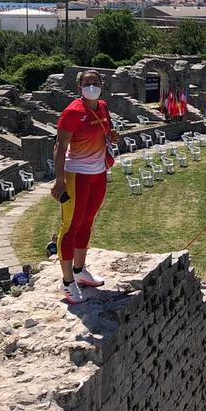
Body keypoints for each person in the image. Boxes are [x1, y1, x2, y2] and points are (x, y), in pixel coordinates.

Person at [50, 70, 118, 305]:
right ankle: (67, 283)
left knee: (87, 222)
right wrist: (59, 180)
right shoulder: (72, 112)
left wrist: (112, 135)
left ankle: (80, 271)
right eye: (86, 83)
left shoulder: (102, 107)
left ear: (102, 85)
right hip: (76, 174)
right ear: (79, 87)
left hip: (98, 173)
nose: (91, 86)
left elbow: (103, 131)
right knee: (70, 226)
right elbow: (59, 147)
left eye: (95, 82)